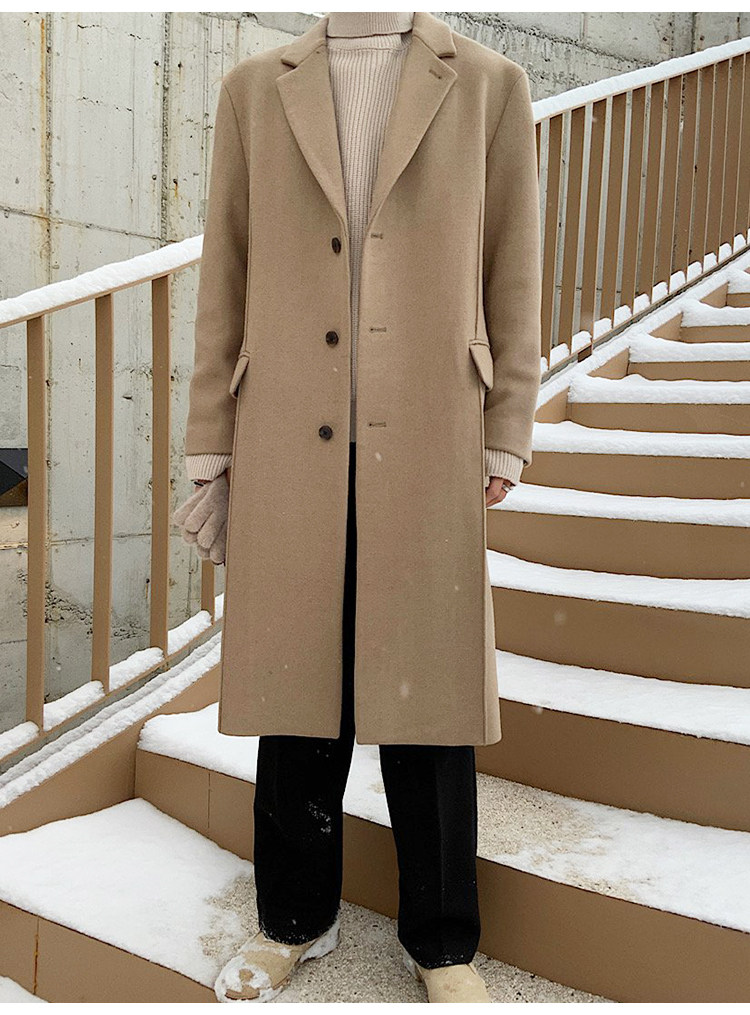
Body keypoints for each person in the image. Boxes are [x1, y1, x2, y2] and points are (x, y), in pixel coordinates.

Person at [174, 10, 541, 1004]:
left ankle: (443, 940)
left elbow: (513, 266)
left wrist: (507, 422)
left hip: (431, 423)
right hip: (287, 425)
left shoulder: (490, 86)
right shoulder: (256, 90)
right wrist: (210, 436)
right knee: (299, 689)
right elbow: (226, 270)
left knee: (432, 690)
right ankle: (293, 918)